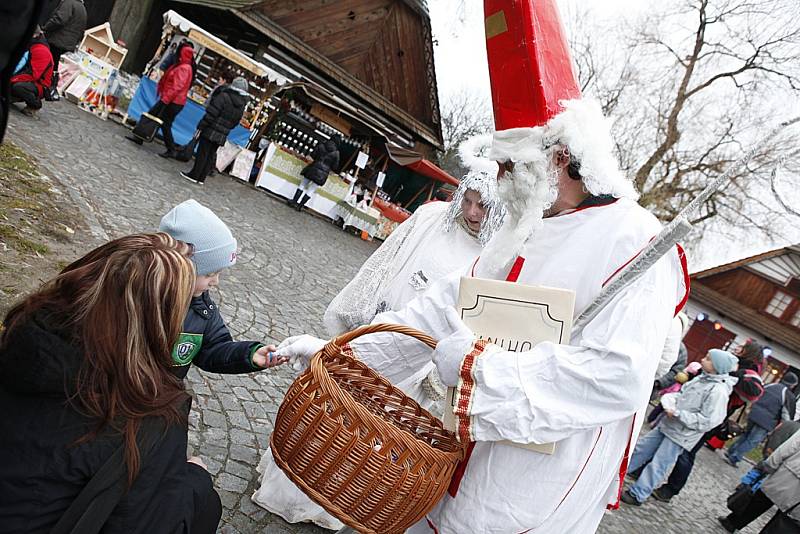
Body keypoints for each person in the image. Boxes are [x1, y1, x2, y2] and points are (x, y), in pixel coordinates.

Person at [273, 2, 689, 528]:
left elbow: (616, 374)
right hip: (461, 444)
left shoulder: (636, 242)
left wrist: (478, 370)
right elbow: (443, 308)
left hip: (531, 477)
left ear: (559, 159)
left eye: (512, 165)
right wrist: (343, 358)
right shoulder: (528, 222)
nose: (503, 178)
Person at [252, 167, 506, 529]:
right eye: (467, 201)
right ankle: (297, 482)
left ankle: (333, 498)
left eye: (483, 206)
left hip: (420, 364)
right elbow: (386, 262)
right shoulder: (432, 217)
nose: (472, 213)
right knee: (335, 416)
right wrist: (357, 321)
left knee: (369, 435)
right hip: (380, 334)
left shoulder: (494, 258)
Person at [0, 233, 222, 532]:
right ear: (159, 322)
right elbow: (157, 523)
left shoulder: (20, 340)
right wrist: (197, 480)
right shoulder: (147, 419)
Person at [158, 199, 285, 375]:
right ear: (179, 267)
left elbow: (213, 347)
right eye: (209, 274)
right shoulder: (137, 298)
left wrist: (250, 354)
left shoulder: (200, 308)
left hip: (164, 396)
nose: (215, 281)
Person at [648, 340, 765, 502]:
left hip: (710, 416)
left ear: (748, 352)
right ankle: (641, 471)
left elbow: (755, 391)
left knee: (687, 453)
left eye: (742, 347)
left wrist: (733, 374)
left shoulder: (748, 372)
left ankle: (670, 489)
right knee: (661, 438)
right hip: (691, 407)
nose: (738, 347)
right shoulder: (727, 359)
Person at [620, 349, 739, 505]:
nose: (703, 359)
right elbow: (682, 396)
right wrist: (671, 401)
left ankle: (638, 494)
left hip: (681, 434)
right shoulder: (701, 379)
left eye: (708, 359)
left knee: (658, 464)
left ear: (718, 366)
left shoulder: (718, 391)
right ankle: (618, 476)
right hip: (668, 425)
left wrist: (679, 414)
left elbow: (709, 420)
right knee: (641, 449)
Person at [718, 429, 800, 533]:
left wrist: (770, 464)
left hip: (788, 473)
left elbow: (789, 447)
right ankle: (732, 522)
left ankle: (732, 522)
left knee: (760, 501)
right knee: (786, 518)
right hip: (791, 478)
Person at [128, 44, 194, 158]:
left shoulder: (184, 68)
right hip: (173, 100)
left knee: (159, 120)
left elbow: (177, 87)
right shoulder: (185, 66)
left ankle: (167, 147)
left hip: (172, 101)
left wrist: (165, 100)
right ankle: (141, 137)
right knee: (158, 119)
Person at [180, 77, 249, 185]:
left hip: (210, 129)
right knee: (210, 155)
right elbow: (236, 122)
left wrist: (202, 125)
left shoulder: (223, 96)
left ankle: (194, 175)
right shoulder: (242, 105)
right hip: (222, 134)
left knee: (202, 153)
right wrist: (226, 128)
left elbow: (211, 113)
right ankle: (201, 178)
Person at [726, 371, 798, 467]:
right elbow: (786, 415)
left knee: (746, 435)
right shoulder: (787, 395)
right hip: (767, 421)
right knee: (752, 441)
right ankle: (735, 457)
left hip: (754, 413)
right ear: (792, 385)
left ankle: (731, 451)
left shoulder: (770, 385)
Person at [41, 0, 86, 99]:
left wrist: (45, 28)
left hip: (58, 39)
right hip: (67, 42)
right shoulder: (82, 7)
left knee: (49, 60)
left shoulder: (69, 3)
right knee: (53, 62)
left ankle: (50, 88)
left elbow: (59, 19)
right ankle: (51, 88)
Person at [289, 136, 339, 211]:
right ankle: (300, 206)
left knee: (302, 184)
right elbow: (335, 166)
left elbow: (312, 155)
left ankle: (294, 201)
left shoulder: (321, 145)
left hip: (313, 167)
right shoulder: (336, 153)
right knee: (311, 190)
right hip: (323, 174)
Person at [9, 32, 53, 116]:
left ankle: (35, 104)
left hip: (40, 84)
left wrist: (11, 79)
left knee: (18, 87)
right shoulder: (31, 46)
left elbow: (33, 75)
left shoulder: (41, 50)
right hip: (27, 77)